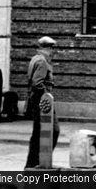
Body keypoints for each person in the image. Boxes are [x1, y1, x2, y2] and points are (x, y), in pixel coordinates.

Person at [25, 36, 61, 169]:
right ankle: (41, 161)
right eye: (52, 48)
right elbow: (37, 83)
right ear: (47, 48)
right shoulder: (42, 62)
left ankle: (32, 164)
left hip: (37, 102)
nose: (52, 52)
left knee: (37, 134)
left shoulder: (35, 59)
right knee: (54, 131)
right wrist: (46, 97)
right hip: (44, 104)